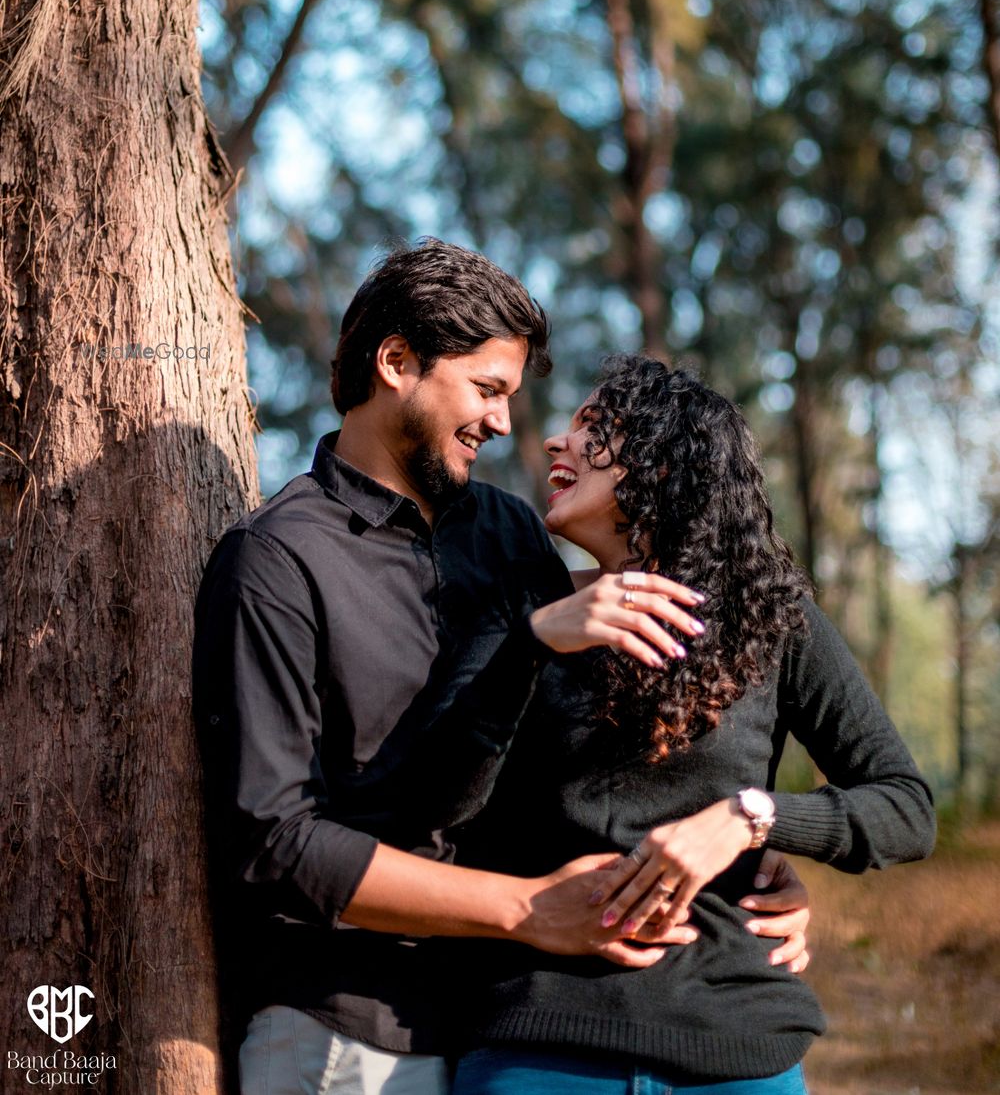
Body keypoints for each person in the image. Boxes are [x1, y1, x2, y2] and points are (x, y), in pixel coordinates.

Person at [192, 242, 809, 1095]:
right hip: (349, 1035)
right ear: (397, 362)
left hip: (506, 1028)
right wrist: (524, 911)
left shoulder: (512, 534)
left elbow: (569, 764)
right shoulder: (276, 560)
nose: (505, 424)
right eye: (487, 390)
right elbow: (275, 842)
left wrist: (738, 866)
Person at [444, 353, 936, 1095]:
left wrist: (753, 820)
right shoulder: (520, 616)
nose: (555, 442)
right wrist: (534, 645)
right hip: (538, 1048)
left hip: (739, 1050)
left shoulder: (772, 622)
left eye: (594, 429)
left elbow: (905, 806)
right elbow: (440, 810)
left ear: (663, 469)